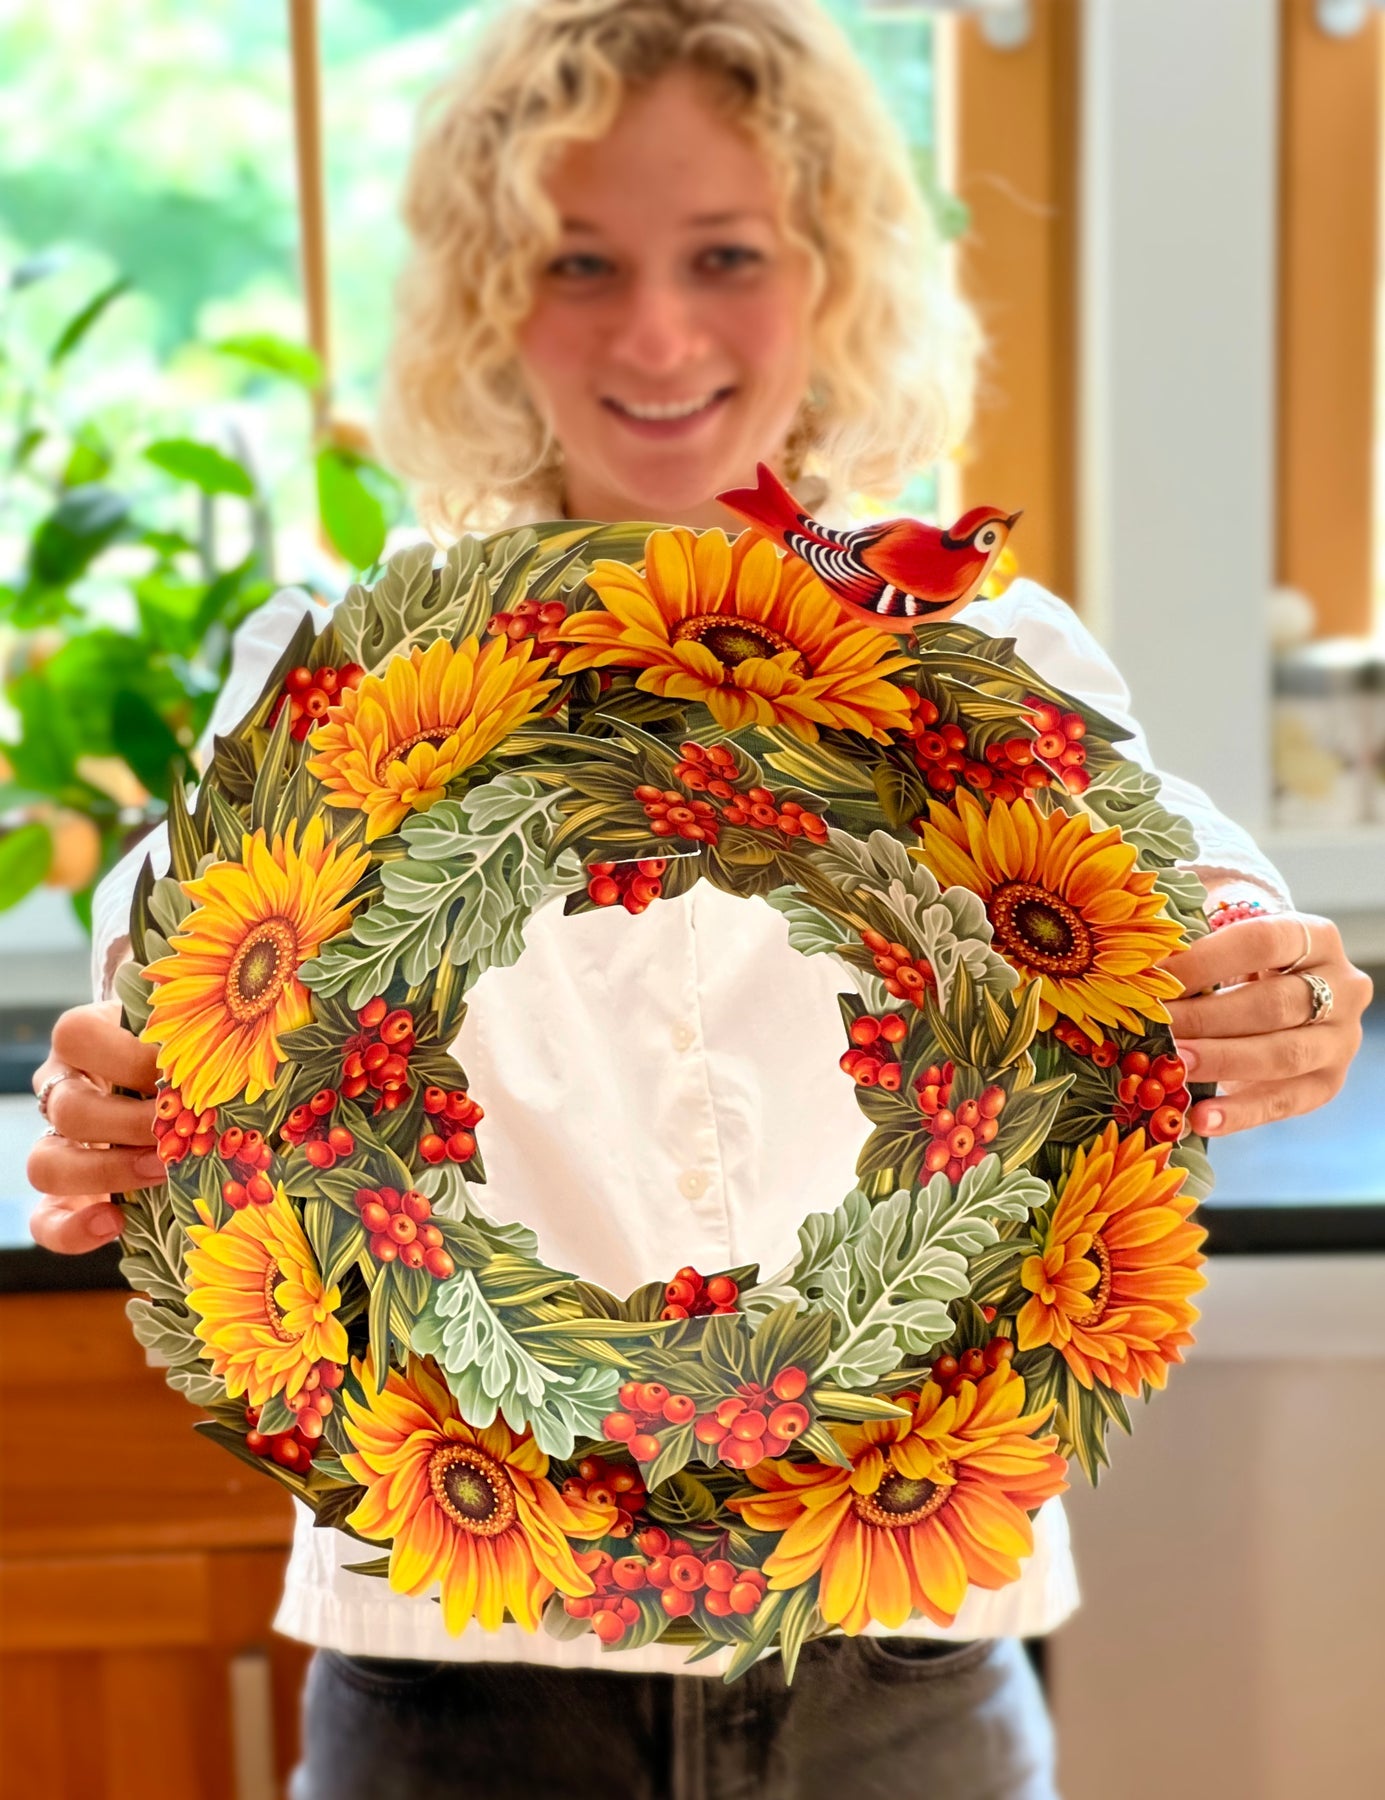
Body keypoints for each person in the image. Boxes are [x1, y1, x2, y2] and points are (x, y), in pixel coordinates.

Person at [26, 3, 1373, 1796]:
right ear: (488, 293)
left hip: (900, 1673)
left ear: (835, 274)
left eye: (723, 256)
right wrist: (117, 1078)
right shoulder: (342, 677)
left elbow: (1168, 865)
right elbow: (169, 938)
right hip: (455, 1682)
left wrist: (1253, 974)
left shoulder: (979, 655)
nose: (655, 333)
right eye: (580, 260)